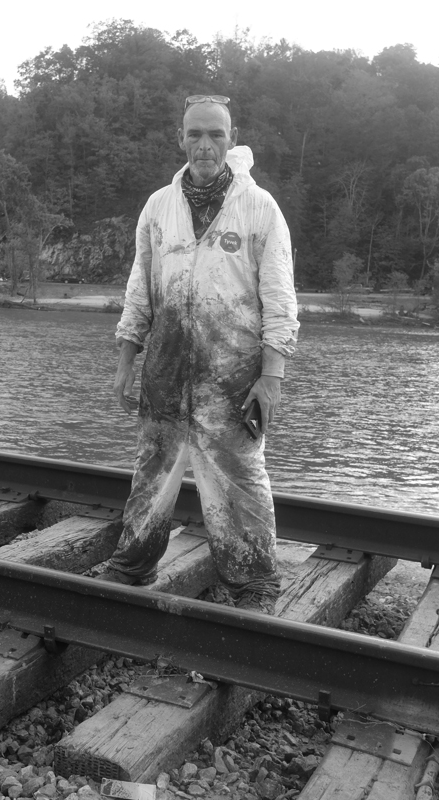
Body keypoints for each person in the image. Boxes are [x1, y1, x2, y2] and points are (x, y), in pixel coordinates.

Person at [93, 94, 299, 614]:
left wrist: (271, 377)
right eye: (195, 135)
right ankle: (133, 565)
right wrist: (125, 359)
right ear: (180, 138)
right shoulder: (158, 207)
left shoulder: (259, 208)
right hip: (165, 370)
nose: (205, 145)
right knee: (152, 473)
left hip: (232, 378)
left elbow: (280, 298)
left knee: (241, 484)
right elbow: (141, 286)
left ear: (232, 139)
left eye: (215, 135)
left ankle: (252, 586)